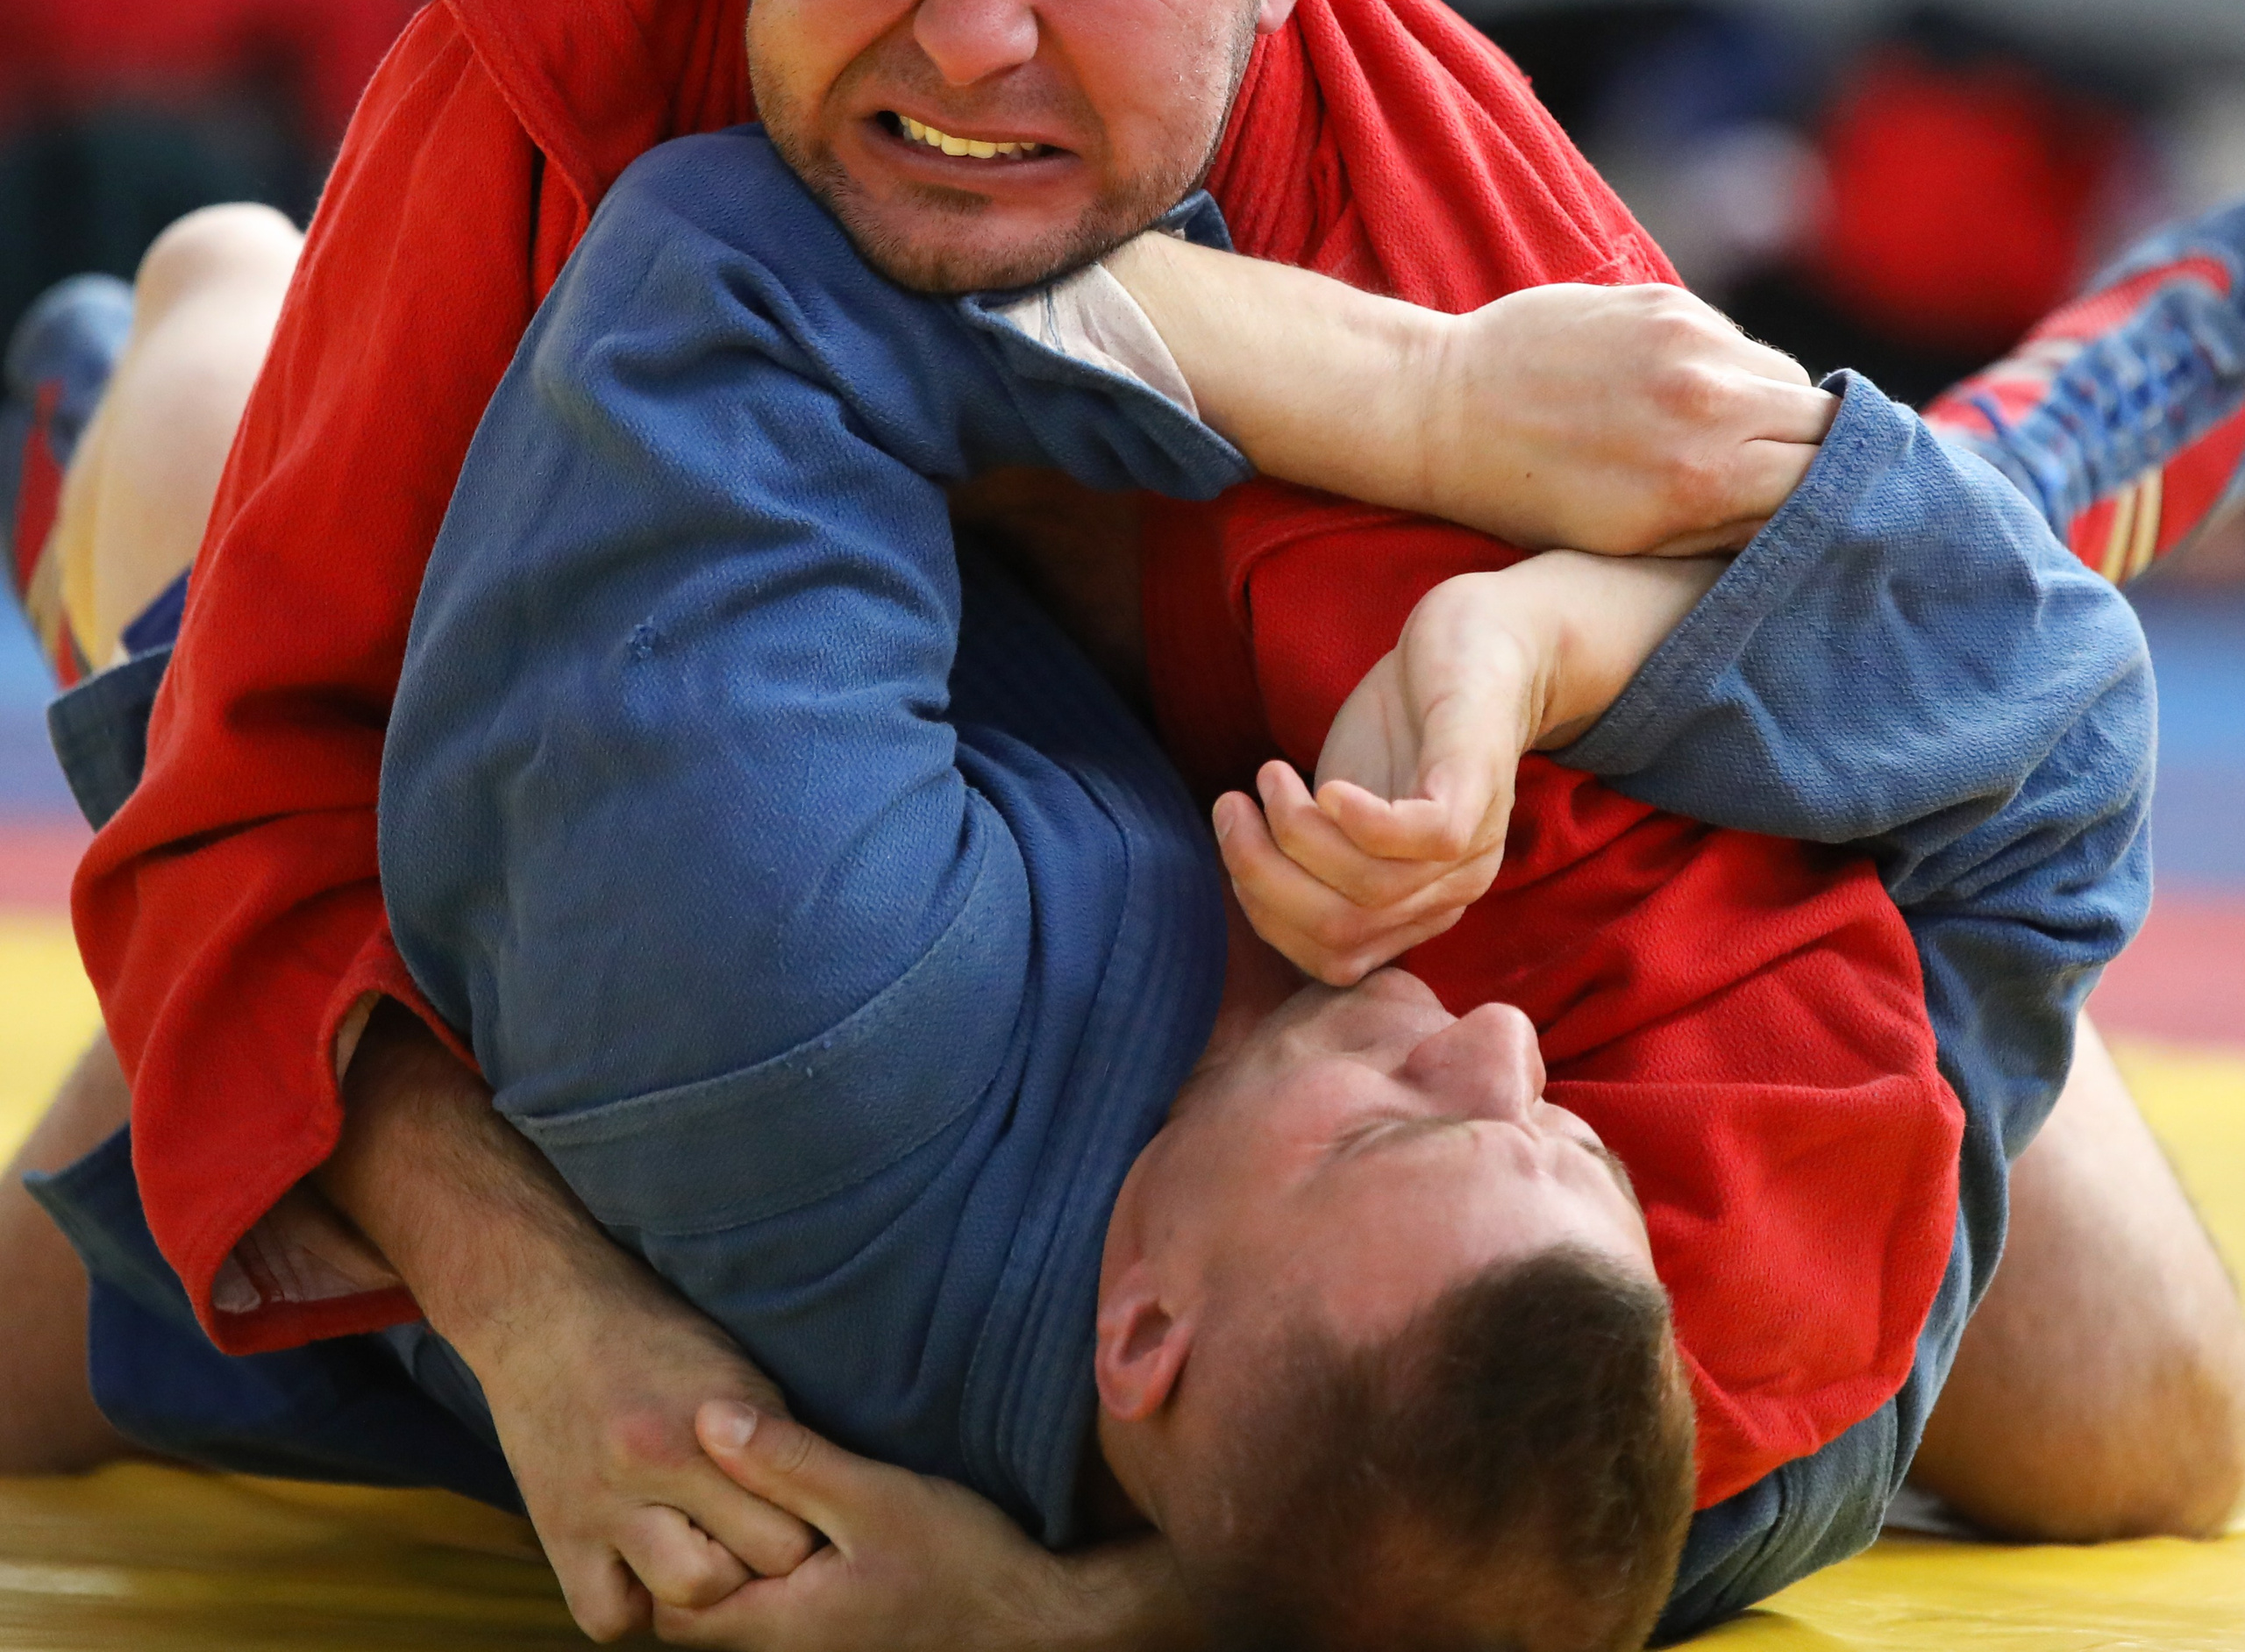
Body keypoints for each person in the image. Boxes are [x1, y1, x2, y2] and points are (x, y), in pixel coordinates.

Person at [0, 0, 2236, 1640]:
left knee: (2141, 1413)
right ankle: (175, 374)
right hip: (750, 873)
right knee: (226, 524)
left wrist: (1077, 1608)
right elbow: (252, 833)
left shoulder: (1452, 240)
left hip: (1025, 981)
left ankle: (1921, 483)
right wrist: (542, 1320)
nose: (973, 38)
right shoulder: (563, 72)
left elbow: (1533, 1453)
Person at [0, 139, 2157, 1650]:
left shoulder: (809, 995)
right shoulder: (1692, 1443)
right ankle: (2005, 460)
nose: (1497, 1039)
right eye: (1570, 1138)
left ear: (1147, 1329)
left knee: (216, 432)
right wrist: (1471, 499)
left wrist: (522, 1306)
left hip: (542, 782)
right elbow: (2048, 733)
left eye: (1403, 1119)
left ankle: (103, 435)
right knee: (2141, 1410)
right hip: (971, 642)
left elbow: (734, 261)